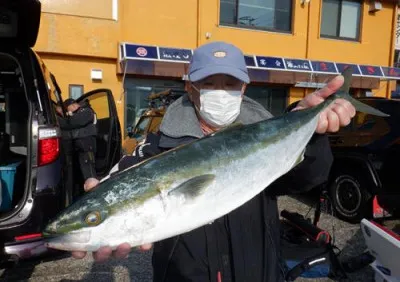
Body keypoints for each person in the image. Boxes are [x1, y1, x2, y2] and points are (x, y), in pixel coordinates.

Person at [69, 41, 356, 282]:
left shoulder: (267, 133)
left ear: (243, 89)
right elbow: (124, 180)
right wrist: (101, 196)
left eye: (230, 83)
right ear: (191, 87)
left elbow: (306, 179)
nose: (220, 90)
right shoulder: (158, 146)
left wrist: (311, 133)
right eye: (209, 83)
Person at [57, 98, 99, 192]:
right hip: (83, 146)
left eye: (68, 109)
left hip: (87, 146)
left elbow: (72, 123)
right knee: (84, 171)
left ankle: (94, 193)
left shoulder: (87, 111)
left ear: (73, 105)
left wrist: (59, 120)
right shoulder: (81, 112)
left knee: (89, 173)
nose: (68, 111)